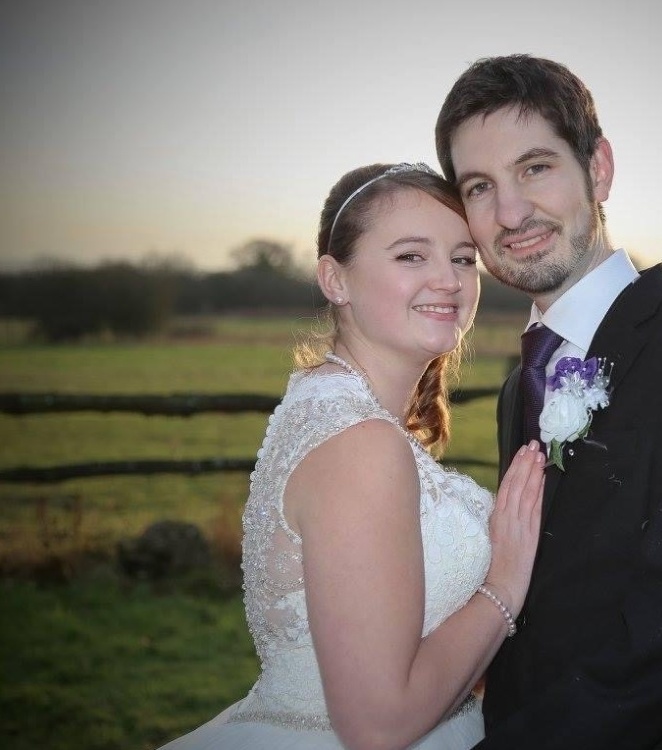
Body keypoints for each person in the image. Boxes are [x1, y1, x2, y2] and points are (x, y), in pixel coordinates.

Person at [434, 55, 662, 748]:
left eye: (535, 168)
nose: (511, 212)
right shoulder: (513, 390)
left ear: (600, 168)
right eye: (479, 187)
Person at [158, 162, 545, 750]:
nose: (448, 279)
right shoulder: (359, 441)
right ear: (335, 280)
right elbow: (378, 725)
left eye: (463, 258)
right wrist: (506, 584)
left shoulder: (330, 407)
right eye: (411, 256)